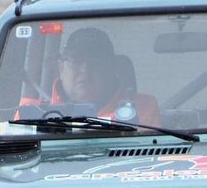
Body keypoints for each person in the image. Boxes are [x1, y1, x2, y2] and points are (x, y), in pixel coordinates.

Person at [20, 27, 159, 126]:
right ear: (61, 67)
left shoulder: (142, 108)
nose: (85, 70)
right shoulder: (32, 112)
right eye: (76, 60)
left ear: (111, 69)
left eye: (96, 61)